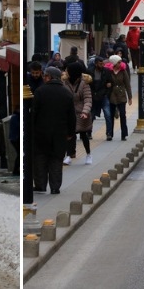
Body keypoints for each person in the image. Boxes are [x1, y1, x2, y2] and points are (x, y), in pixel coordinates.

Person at [33, 66, 76, 195]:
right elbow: (71, 116)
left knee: (40, 158)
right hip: (60, 133)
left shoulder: (40, 91)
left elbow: (34, 113)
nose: (44, 78)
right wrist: (70, 133)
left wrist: (32, 130)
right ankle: (55, 187)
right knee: (56, 160)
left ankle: (40, 185)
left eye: (45, 76)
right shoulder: (67, 93)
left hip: (41, 133)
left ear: (50, 77)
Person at [63, 61, 93, 165]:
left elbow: (88, 98)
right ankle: (69, 155)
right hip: (69, 113)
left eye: (68, 71)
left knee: (84, 134)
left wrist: (85, 112)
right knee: (69, 135)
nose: (66, 72)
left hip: (81, 113)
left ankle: (88, 154)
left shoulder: (84, 84)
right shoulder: (64, 83)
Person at [106, 54, 133, 141]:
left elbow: (127, 84)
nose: (120, 64)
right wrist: (107, 85)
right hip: (112, 95)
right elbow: (105, 81)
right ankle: (109, 134)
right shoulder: (108, 71)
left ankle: (124, 134)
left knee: (122, 115)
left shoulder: (123, 71)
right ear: (114, 63)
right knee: (110, 115)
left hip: (121, 95)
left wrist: (130, 97)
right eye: (118, 62)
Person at [89, 56, 113, 141]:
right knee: (91, 115)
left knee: (108, 114)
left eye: (103, 63)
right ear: (95, 64)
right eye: (100, 63)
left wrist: (107, 93)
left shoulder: (106, 71)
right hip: (93, 96)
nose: (102, 65)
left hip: (104, 95)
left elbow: (110, 83)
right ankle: (89, 133)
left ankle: (109, 133)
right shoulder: (90, 71)